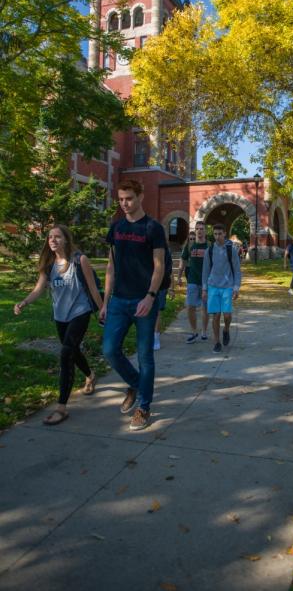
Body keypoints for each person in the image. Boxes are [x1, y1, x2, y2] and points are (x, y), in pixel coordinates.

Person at [13, 225, 102, 426]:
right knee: (72, 350)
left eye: (57, 236)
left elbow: (93, 289)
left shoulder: (80, 260)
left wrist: (103, 310)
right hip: (60, 316)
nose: (52, 240)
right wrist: (24, 302)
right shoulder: (49, 265)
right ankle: (90, 375)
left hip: (80, 312)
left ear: (66, 239)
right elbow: (38, 289)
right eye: (49, 237)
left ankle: (61, 408)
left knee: (65, 353)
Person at [100, 179, 167, 431]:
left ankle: (144, 406)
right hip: (118, 300)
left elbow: (158, 266)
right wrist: (105, 302)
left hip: (144, 301)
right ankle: (137, 383)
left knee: (145, 356)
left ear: (140, 196)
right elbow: (110, 266)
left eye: (128, 198)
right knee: (109, 350)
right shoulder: (116, 228)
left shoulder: (153, 228)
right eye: (120, 199)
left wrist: (150, 296)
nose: (124, 204)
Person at [202, 223, 241, 354]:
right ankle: (217, 342)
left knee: (227, 315)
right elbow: (205, 270)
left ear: (225, 233)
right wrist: (204, 289)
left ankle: (226, 330)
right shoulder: (210, 250)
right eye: (215, 234)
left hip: (227, 286)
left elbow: (237, 270)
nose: (217, 236)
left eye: (220, 234)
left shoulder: (232, 250)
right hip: (213, 286)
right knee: (216, 315)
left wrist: (236, 288)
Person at [177, 221, 209, 343]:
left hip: (206, 282)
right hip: (192, 280)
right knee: (190, 306)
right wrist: (179, 277)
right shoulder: (190, 246)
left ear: (205, 231)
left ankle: (204, 331)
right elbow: (183, 261)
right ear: (195, 230)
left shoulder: (209, 246)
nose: (199, 231)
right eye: (197, 229)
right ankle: (194, 331)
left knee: (205, 308)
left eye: (202, 229)